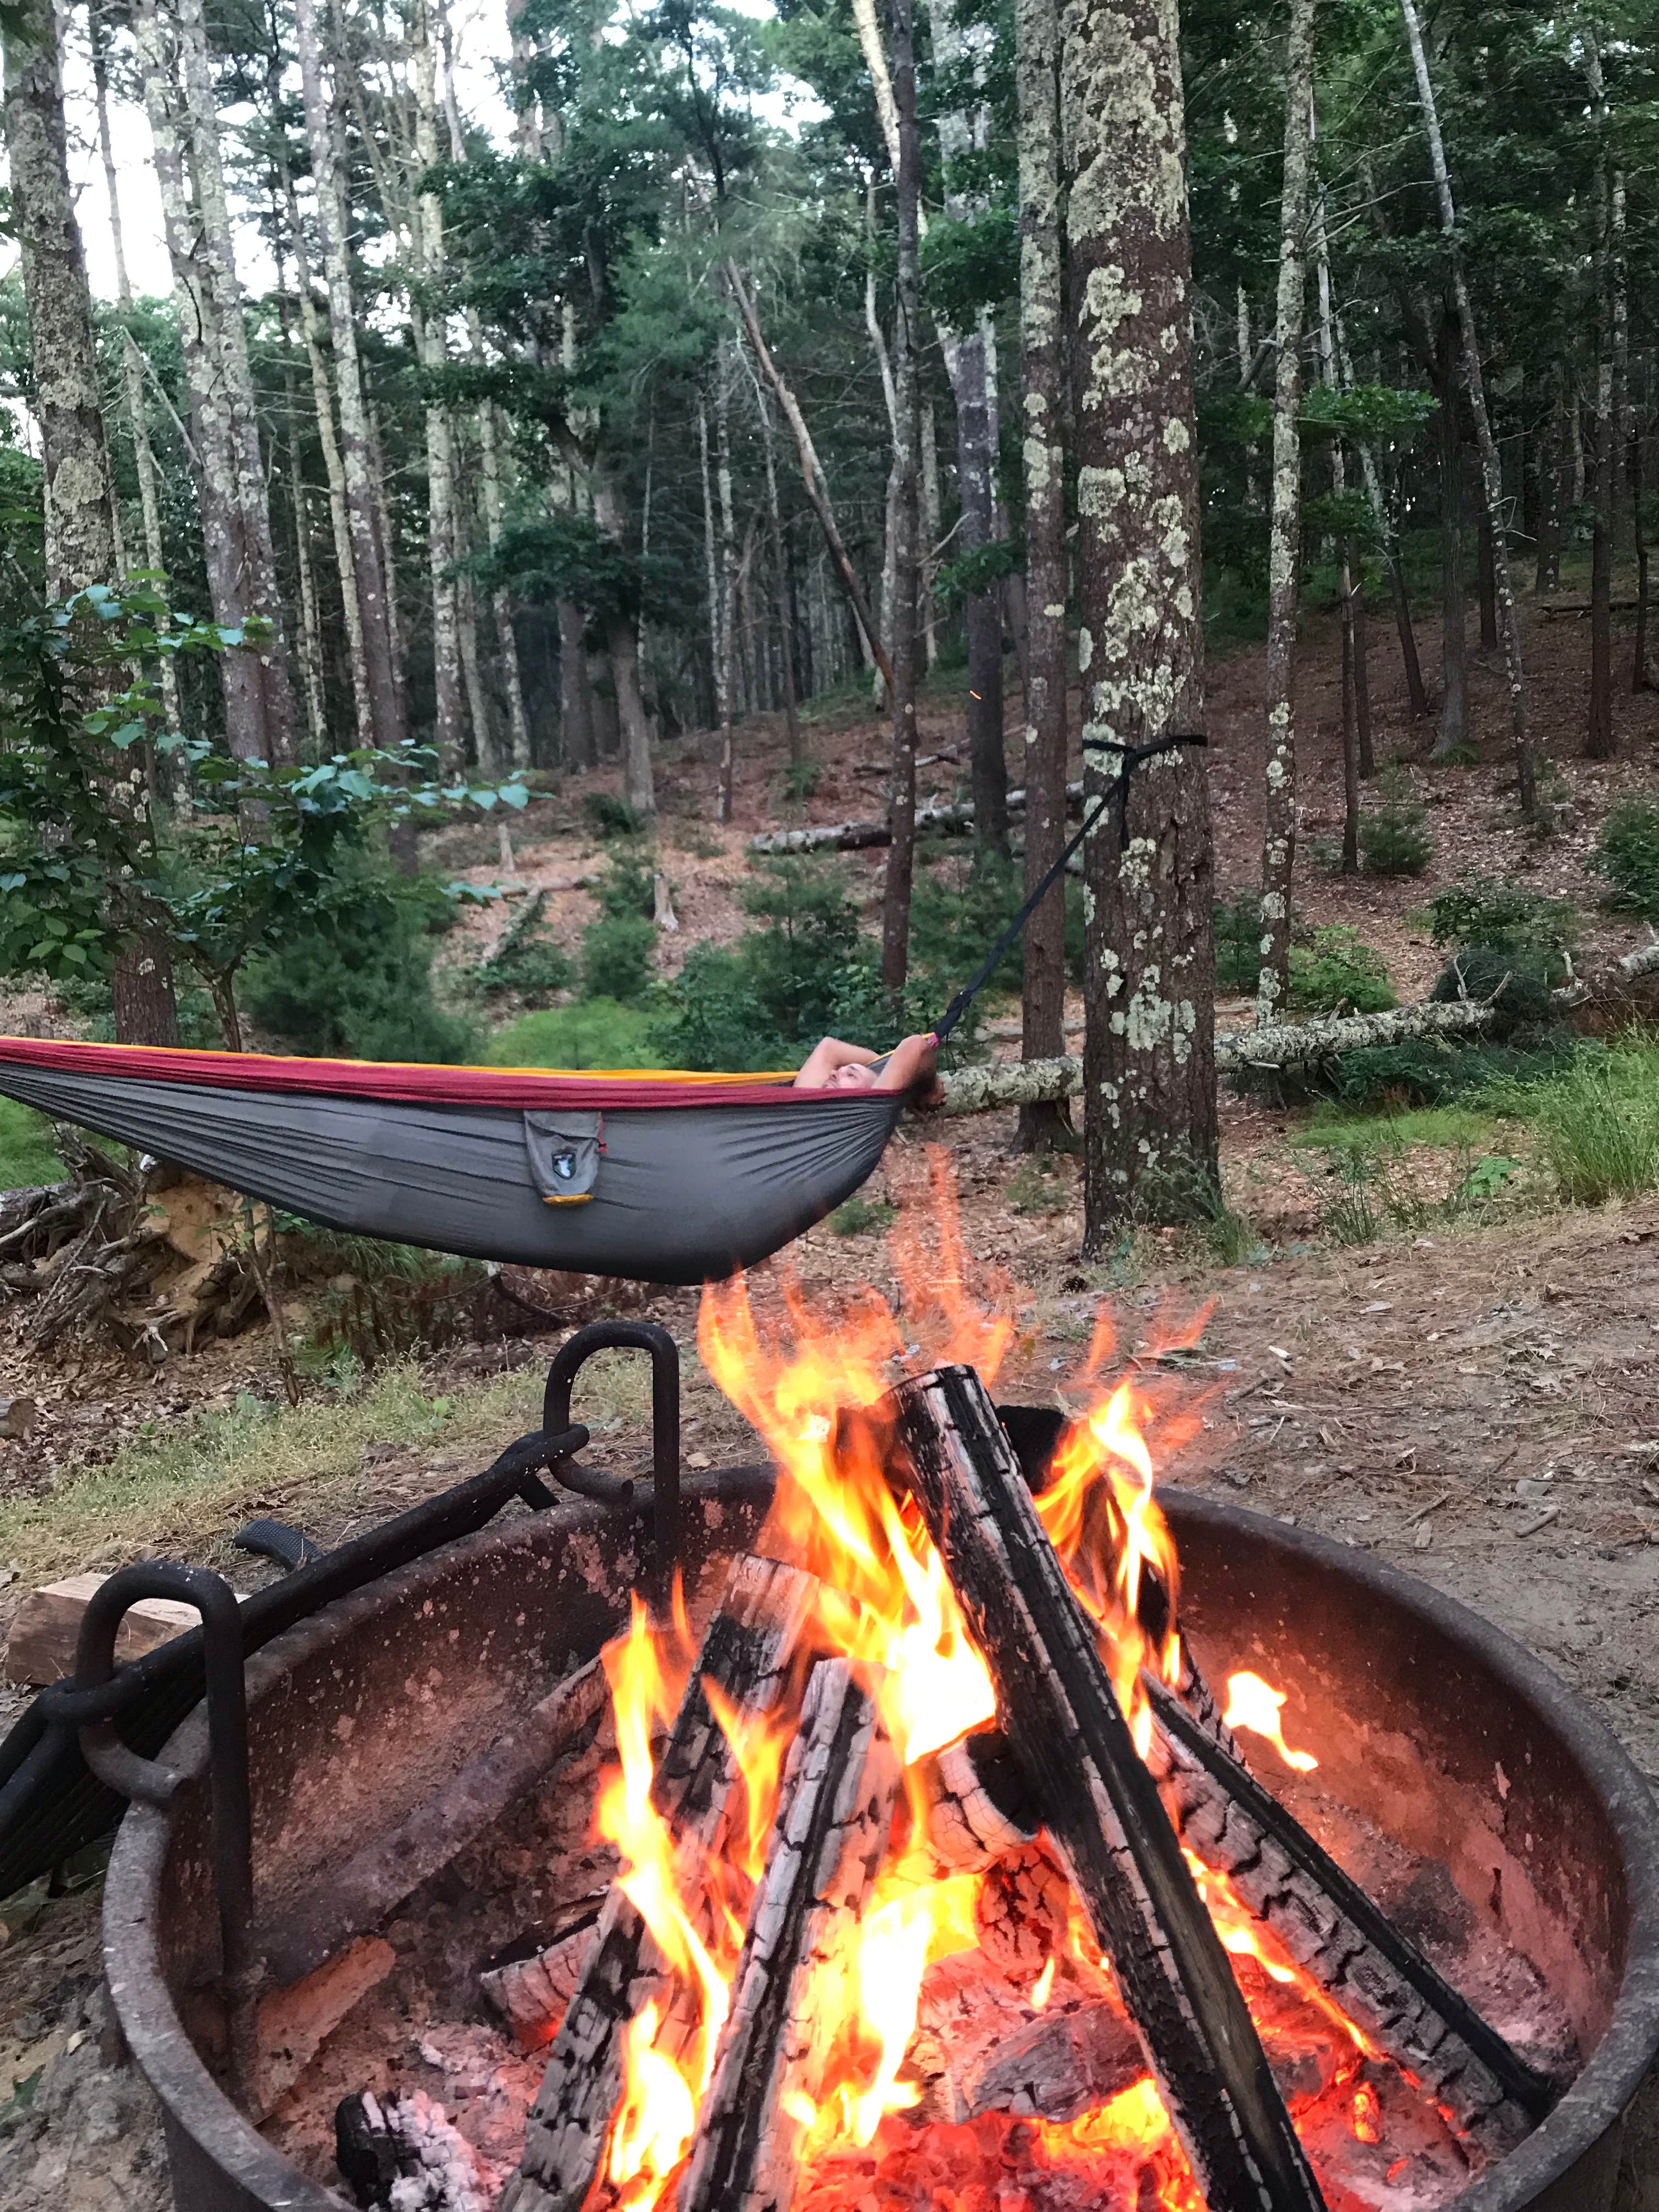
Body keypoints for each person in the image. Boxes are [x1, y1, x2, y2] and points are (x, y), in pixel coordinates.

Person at [794, 1031, 943, 1103]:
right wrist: (881, 1064)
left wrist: (927, 1088)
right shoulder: (802, 1099)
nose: (833, 1073)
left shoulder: (872, 1108)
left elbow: (915, 1045)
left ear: (870, 1093)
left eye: (851, 1075)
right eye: (839, 1071)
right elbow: (829, 1047)